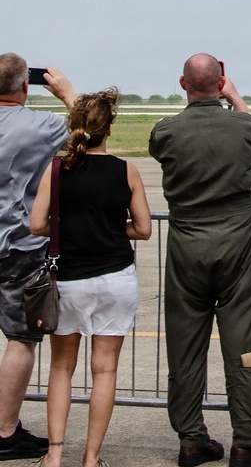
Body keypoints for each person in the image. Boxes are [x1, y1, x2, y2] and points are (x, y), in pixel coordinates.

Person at [148, 54, 251, 467]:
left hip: (186, 249)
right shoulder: (244, 126)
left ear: (182, 83)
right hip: (237, 249)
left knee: (185, 346)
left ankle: (191, 438)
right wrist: (236, 98)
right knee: (246, 346)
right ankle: (248, 440)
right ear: (221, 82)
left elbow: (160, 150)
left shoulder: (166, 131)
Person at [29, 89, 152, 467]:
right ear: (109, 130)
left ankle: (54, 454)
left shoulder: (57, 168)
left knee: (62, 368)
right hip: (115, 277)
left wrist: (66, 229)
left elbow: (36, 224)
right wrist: (115, 229)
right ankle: (91, 457)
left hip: (70, 281)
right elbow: (144, 229)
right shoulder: (124, 169)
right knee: (105, 370)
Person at [0, 53, 76, 462]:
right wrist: (66, 92)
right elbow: (92, 131)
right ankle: (5, 429)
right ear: (25, 86)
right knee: (21, 339)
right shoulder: (41, 125)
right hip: (18, 244)